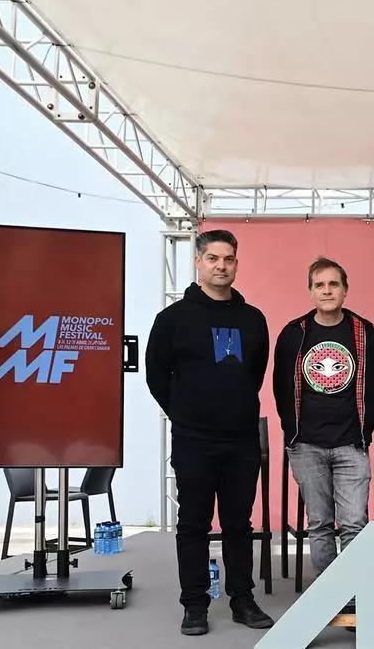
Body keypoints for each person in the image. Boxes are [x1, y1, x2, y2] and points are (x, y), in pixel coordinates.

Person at [145, 229, 275, 636]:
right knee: (193, 524)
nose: (222, 266)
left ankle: (242, 600)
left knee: (239, 524)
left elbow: (255, 373)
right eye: (214, 258)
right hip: (194, 440)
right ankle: (195, 604)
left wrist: (233, 408)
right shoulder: (172, 319)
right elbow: (156, 376)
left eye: (229, 259)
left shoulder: (253, 319)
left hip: (241, 440)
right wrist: (186, 414)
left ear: (236, 263)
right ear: (198, 262)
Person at [272, 256, 374, 615]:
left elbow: (373, 386)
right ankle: (327, 598)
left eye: (334, 284)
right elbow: (280, 387)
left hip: (351, 444)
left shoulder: (364, 332)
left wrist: (365, 432)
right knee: (319, 524)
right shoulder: (294, 333)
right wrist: (293, 433)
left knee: (354, 524)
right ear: (311, 291)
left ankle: (354, 599)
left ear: (345, 290)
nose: (327, 290)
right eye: (319, 285)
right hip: (307, 446)